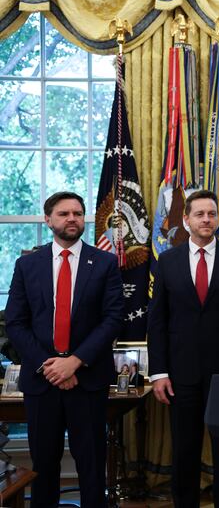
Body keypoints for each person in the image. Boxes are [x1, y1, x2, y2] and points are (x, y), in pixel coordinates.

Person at [4, 191, 124, 507]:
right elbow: (15, 323)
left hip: (88, 380)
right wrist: (50, 365)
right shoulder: (27, 264)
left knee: (92, 465)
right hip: (42, 383)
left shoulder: (105, 262)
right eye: (63, 213)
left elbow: (113, 319)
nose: (72, 218)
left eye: (77, 212)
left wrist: (75, 361)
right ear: (48, 220)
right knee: (43, 466)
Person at [148, 189, 219, 507]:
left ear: (218, 218)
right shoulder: (167, 261)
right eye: (200, 214)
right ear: (186, 219)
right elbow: (156, 322)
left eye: (212, 213)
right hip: (180, 373)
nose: (206, 219)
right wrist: (158, 372)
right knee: (184, 449)